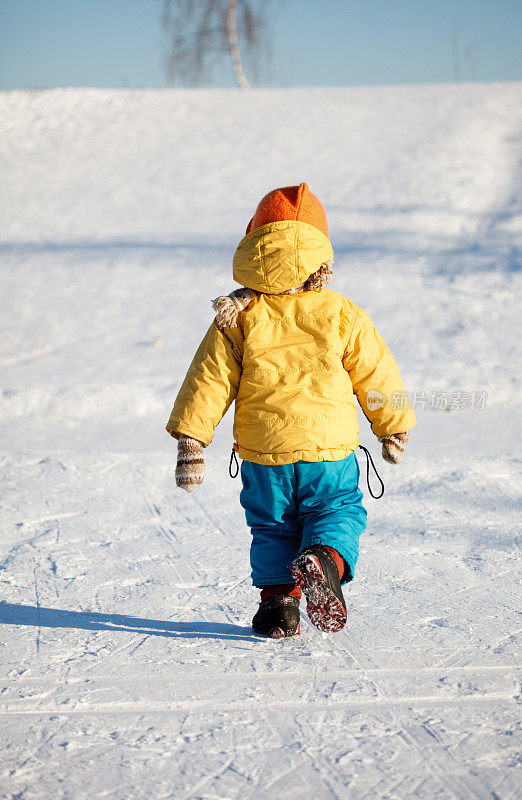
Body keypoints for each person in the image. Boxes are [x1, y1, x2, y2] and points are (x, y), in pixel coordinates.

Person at [166, 183, 416, 639]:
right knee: (336, 510)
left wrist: (192, 440)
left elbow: (209, 379)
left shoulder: (236, 315)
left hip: (264, 452)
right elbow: (376, 373)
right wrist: (392, 426)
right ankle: (324, 558)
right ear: (321, 254)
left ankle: (277, 608)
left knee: (271, 526)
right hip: (328, 449)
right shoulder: (340, 311)